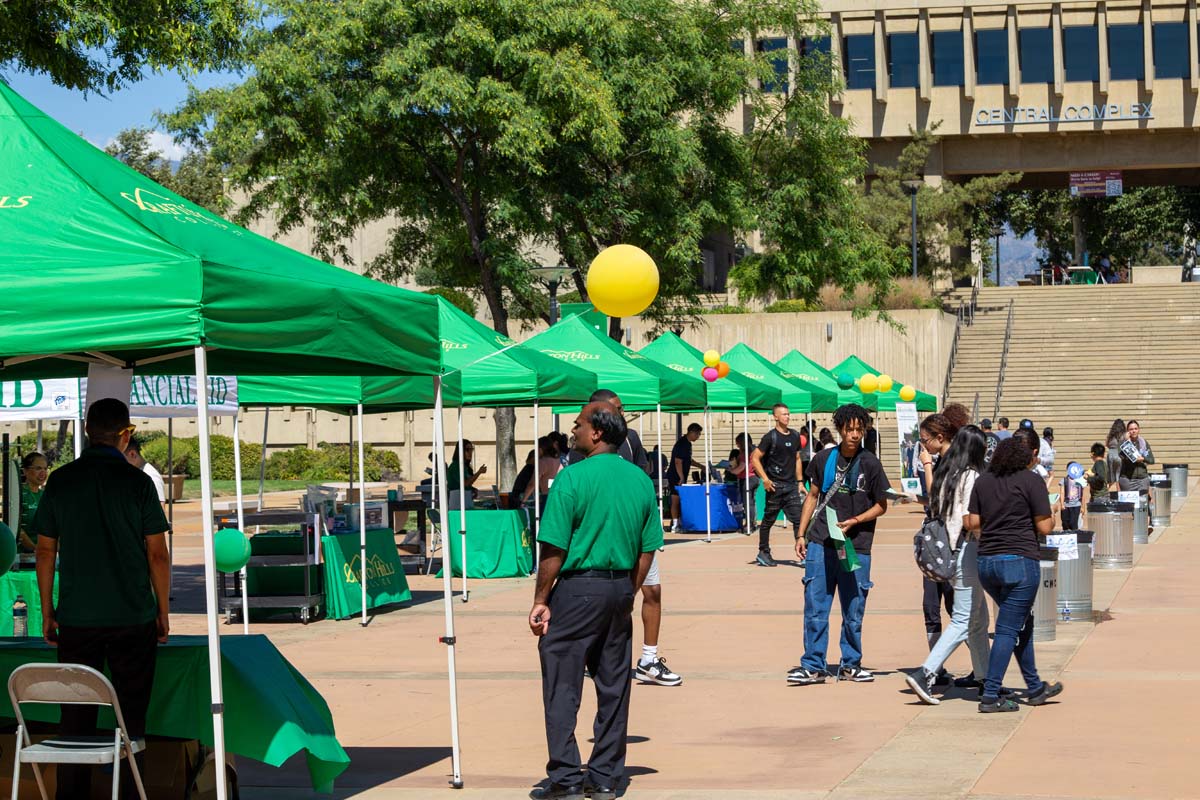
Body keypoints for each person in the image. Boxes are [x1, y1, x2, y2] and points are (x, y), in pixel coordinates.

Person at [31, 399, 171, 799]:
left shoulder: (60, 480)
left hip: (77, 618)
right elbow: (157, 554)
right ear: (124, 434)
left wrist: (47, 611)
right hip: (133, 616)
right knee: (131, 722)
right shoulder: (138, 482)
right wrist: (162, 609)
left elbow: (45, 550)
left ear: (88, 430)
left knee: (74, 722)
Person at [529, 402, 661, 800]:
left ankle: (567, 778)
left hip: (576, 589)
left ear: (597, 433)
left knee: (562, 684)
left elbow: (553, 547)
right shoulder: (640, 480)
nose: (573, 429)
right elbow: (647, 548)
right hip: (619, 588)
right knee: (614, 685)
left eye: (579, 424)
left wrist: (541, 598)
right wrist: (628, 590)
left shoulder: (572, 478)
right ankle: (604, 777)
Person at [788, 404, 891, 685]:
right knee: (816, 605)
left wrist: (856, 520)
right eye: (849, 429)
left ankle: (850, 664)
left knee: (854, 607)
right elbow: (812, 496)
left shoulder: (870, 463)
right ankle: (812, 664)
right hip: (822, 542)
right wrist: (801, 534)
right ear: (840, 429)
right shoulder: (823, 459)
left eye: (859, 429)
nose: (854, 435)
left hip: (856, 545)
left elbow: (882, 505)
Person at [586, 389, 680, 688]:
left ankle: (649, 660)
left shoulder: (631, 438)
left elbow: (643, 474)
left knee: (651, 592)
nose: (622, 412)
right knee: (608, 596)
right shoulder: (585, 444)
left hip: (637, 533)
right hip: (606, 537)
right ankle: (595, 653)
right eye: (617, 408)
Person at [968, 435, 1063, 712]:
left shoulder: (983, 481)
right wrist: (1053, 513)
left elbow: (973, 522)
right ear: (1028, 457)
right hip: (1020, 562)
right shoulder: (1031, 481)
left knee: (1022, 622)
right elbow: (1045, 527)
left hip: (987, 562)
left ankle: (1034, 687)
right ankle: (991, 694)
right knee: (1008, 628)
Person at [905, 425, 991, 704]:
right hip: (967, 549)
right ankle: (926, 673)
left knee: (978, 620)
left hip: (950, 551)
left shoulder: (946, 474)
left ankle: (984, 677)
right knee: (964, 620)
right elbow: (970, 519)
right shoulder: (972, 476)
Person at [916, 414, 962, 675]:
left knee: (958, 611)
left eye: (925, 441)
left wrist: (927, 467)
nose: (924, 447)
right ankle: (938, 667)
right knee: (931, 605)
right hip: (937, 542)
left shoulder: (949, 464)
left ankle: (983, 671)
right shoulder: (946, 461)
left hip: (948, 545)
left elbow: (938, 501)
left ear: (939, 438)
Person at [750, 404, 804, 568]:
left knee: (799, 520)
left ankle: (803, 553)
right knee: (768, 521)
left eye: (788, 414)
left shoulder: (795, 436)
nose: (787, 417)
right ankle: (763, 552)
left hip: (791, 487)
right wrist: (765, 479)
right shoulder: (770, 437)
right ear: (775, 416)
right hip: (774, 487)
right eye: (783, 414)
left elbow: (797, 459)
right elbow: (755, 458)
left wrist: (800, 482)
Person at [668, 423, 704, 531]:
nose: (698, 436)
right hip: (675, 475)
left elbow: (688, 460)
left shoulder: (688, 444)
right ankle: (675, 524)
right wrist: (681, 477)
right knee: (675, 499)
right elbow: (678, 461)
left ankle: (678, 521)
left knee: (679, 499)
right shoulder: (682, 443)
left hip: (680, 475)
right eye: (697, 434)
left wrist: (701, 466)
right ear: (692, 432)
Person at [123, 436, 167, 515]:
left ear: (132, 454)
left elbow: (159, 512)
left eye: (121, 458)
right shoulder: (135, 473)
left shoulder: (151, 476)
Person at [17, 451, 49, 554]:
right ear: (25, 471)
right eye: (38, 468)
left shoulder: (46, 495)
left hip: (44, 554)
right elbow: (17, 529)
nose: (43, 472)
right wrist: (35, 548)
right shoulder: (19, 494)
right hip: (21, 558)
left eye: (45, 468)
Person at [523, 436, 562, 506]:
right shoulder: (558, 460)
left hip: (547, 497)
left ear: (540, 449)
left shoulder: (542, 462)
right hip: (558, 495)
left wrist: (524, 500)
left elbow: (532, 483)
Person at [1118, 420, 1154, 492]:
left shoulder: (1143, 442)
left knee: (1142, 502)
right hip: (1128, 480)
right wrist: (1127, 441)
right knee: (1129, 502)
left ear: (1139, 430)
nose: (1134, 431)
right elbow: (1125, 457)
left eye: (1135, 429)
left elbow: (1151, 460)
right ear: (1127, 431)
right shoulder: (1123, 443)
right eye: (1131, 429)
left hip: (1142, 479)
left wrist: (1143, 459)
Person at [1059, 462, 1085, 530]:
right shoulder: (1064, 480)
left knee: (1073, 523)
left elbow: (1083, 494)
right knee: (1065, 523)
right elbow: (1062, 492)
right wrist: (1062, 504)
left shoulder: (1080, 481)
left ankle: (1074, 537)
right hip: (1066, 505)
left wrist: (1083, 507)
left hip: (1076, 505)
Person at [1105, 419, 1126, 492]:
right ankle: (1119, 493)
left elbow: (1106, 445)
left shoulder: (1110, 435)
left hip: (1110, 455)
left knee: (1110, 476)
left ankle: (1107, 491)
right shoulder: (1124, 435)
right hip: (1119, 455)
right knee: (1118, 476)